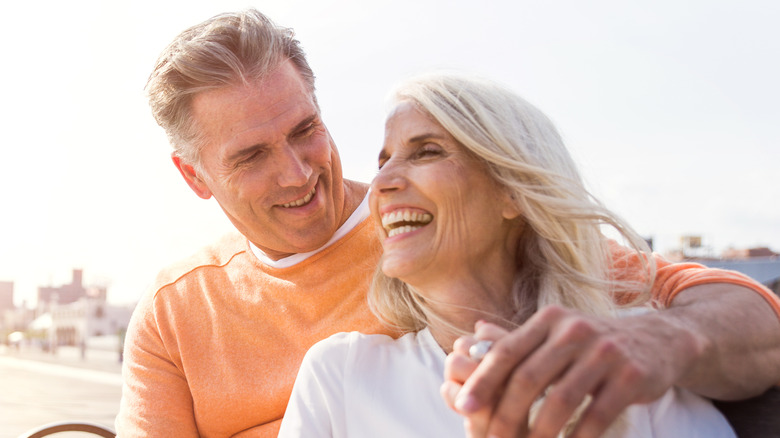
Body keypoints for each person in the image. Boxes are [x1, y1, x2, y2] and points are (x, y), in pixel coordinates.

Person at [115, 8, 780, 437]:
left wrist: (664, 342)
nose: (296, 172)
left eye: (305, 130)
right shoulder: (178, 312)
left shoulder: (442, 227)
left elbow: (732, 318)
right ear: (195, 176)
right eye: (254, 156)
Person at [277, 72, 743, 438]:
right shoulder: (339, 376)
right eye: (383, 162)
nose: (380, 183)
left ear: (513, 192)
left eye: (426, 152)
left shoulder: (624, 364)